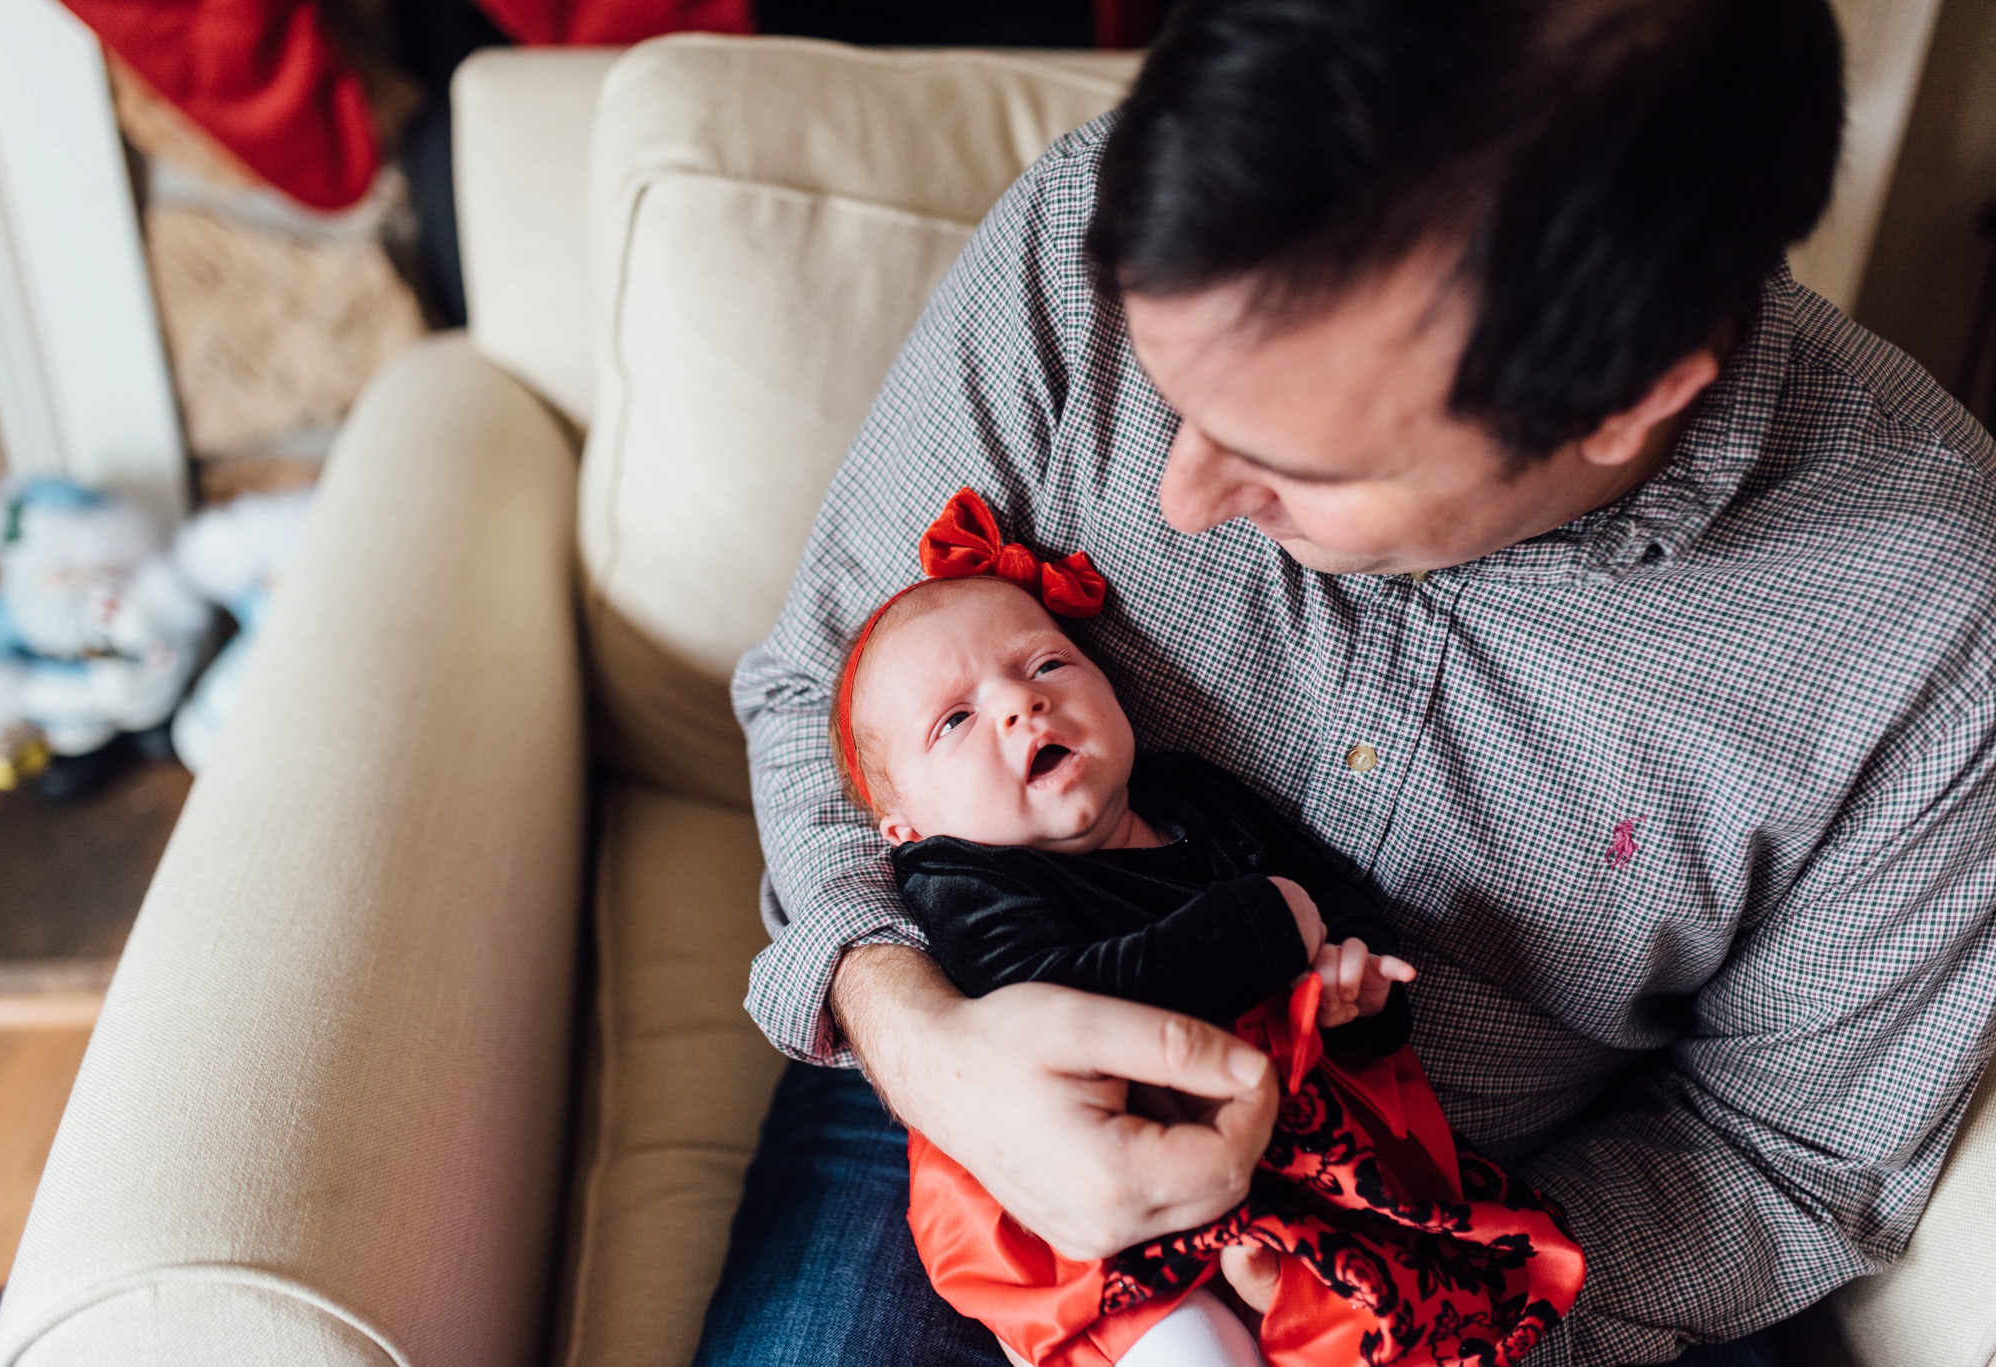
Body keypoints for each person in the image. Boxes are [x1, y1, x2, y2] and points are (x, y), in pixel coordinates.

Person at [699, 1, 1996, 1364]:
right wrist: (918, 1037)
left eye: (1291, 461)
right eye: (1167, 391)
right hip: (960, 1037)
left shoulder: (1933, 622)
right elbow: (815, 693)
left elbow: (1787, 1155)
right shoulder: (1090, 219)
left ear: (1625, 396)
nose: (1180, 499)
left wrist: (1404, 1282)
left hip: (1479, 1207)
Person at [833, 490, 1584, 1366]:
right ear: (906, 827)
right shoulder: (961, 875)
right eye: (955, 719)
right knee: (1186, 1350)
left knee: (1385, 1297)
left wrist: (1356, 966)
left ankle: (1287, 1298)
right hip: (1074, 1175)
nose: (1019, 705)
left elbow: (1325, 886)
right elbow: (1052, 999)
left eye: (1045, 665)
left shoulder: (1187, 790)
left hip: (1285, 1133)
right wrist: (1262, 925)